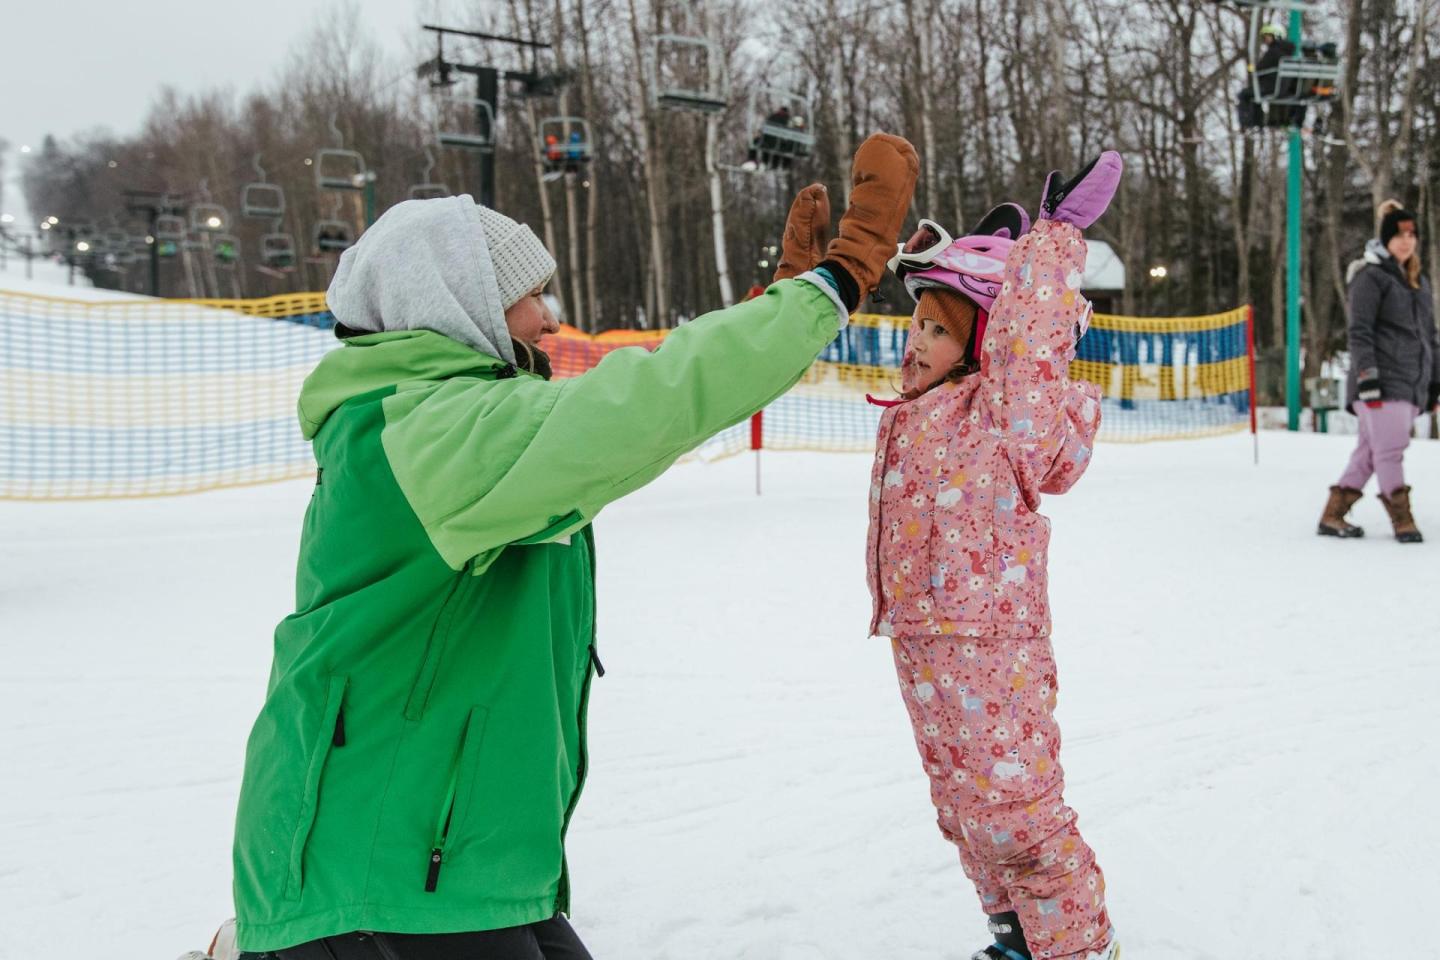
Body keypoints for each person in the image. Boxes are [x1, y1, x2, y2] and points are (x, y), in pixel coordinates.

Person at [229, 133, 919, 960]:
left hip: (454, 855)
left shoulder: (443, 415)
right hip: (373, 869)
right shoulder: (426, 430)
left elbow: (626, 413)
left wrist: (772, 319)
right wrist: (826, 291)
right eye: (529, 294)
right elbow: (644, 404)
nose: (550, 318)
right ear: (456, 302)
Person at [865, 152, 1124, 960]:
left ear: (983, 341)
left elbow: (1030, 344)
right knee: (961, 806)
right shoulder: (914, 413)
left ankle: (1079, 948)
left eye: (938, 330)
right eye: (915, 323)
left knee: (1016, 806)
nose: (915, 342)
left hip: (991, 647)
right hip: (923, 644)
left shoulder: (1003, 413)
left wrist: (1051, 242)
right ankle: (1015, 932)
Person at [1318, 199, 1437, 543]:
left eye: (1411, 234)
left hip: (1412, 381)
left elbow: (1430, 336)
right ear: (1385, 239)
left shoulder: (1417, 281)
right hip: (1382, 382)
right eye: (1399, 235)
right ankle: (1403, 520)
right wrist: (1368, 377)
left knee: (1370, 452)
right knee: (1390, 449)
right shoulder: (1370, 278)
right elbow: (1360, 332)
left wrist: (1434, 384)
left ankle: (1333, 515)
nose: (1406, 241)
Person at [1237, 22, 1297, 129]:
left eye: (1268, 37)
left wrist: (1252, 68)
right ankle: (1257, 124)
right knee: (1254, 94)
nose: (1266, 40)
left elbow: (1260, 68)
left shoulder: (1274, 51)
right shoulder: (1288, 52)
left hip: (1272, 86)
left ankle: (1249, 124)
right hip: (1284, 87)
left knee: (1244, 95)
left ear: (1276, 36)